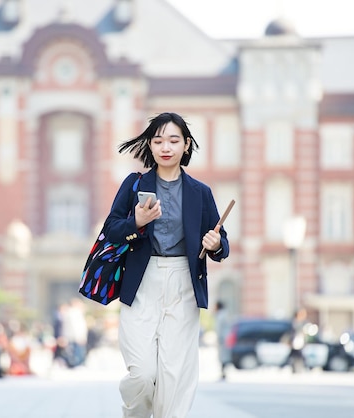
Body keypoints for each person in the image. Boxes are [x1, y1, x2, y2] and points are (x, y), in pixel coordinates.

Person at [107, 112, 230, 418]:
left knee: (175, 378)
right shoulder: (134, 185)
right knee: (142, 373)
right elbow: (111, 229)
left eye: (174, 140)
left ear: (186, 145)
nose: (166, 147)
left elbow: (220, 240)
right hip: (141, 281)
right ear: (149, 145)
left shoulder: (199, 192)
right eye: (158, 140)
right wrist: (136, 221)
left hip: (183, 285)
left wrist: (216, 244)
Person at [214, 300, 232, 381]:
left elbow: (219, 329)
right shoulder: (226, 314)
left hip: (222, 339)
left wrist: (218, 339)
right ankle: (224, 373)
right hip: (227, 338)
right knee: (224, 357)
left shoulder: (220, 316)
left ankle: (223, 374)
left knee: (222, 357)